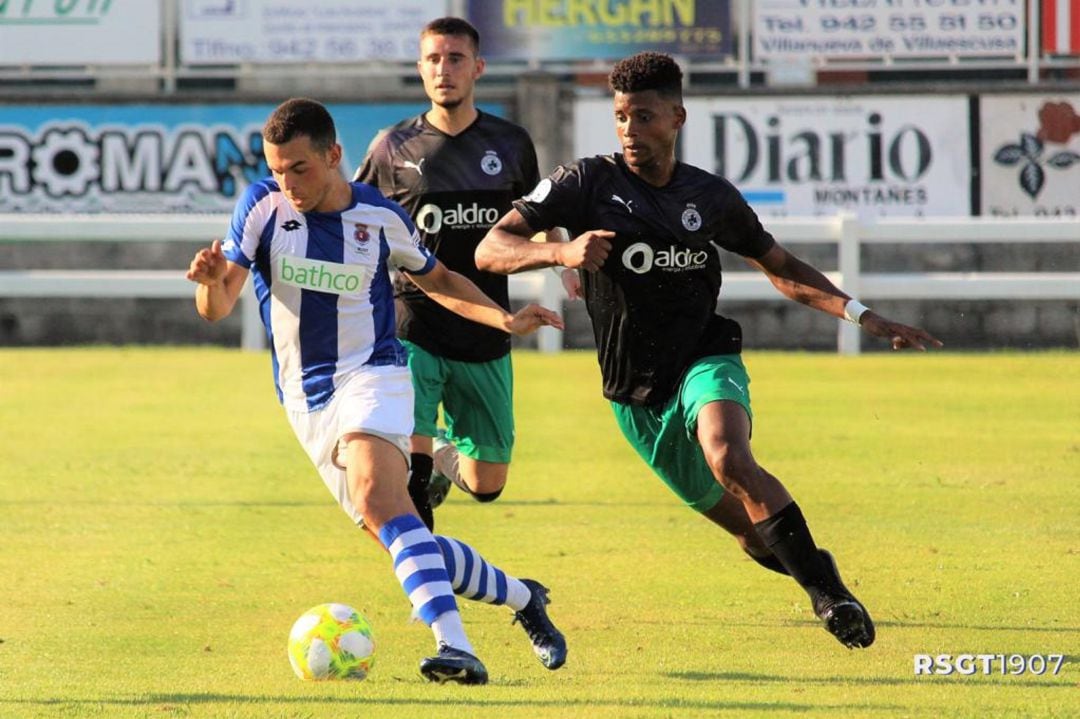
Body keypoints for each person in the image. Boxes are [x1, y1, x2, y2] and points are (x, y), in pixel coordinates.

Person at [476, 52, 943, 650]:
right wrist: (559, 253)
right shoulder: (586, 183)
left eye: (644, 117)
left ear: (677, 118)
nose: (630, 131)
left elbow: (781, 266)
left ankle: (830, 599)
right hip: (634, 395)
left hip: (705, 357)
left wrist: (862, 314)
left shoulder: (710, 196)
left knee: (729, 457)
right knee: (753, 534)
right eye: (621, 117)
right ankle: (816, 570)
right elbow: (492, 249)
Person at [185, 98, 567, 683]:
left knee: (378, 497)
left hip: (375, 373)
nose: (288, 182)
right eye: (278, 168)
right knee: (397, 530)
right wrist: (210, 285)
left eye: (300, 169)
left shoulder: (380, 217)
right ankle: (523, 597)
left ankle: (456, 646)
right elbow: (217, 308)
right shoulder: (261, 206)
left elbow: (438, 278)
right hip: (304, 400)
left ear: (334, 155)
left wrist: (503, 320)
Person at [354, 17, 575, 528]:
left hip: (486, 324)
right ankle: (428, 591)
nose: (443, 69)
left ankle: (440, 458)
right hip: (412, 323)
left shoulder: (512, 142)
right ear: (420, 69)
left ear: (477, 67)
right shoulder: (393, 147)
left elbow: (536, 215)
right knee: (409, 473)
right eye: (433, 59)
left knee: (487, 483)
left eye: (454, 58)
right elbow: (352, 211)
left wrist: (559, 257)